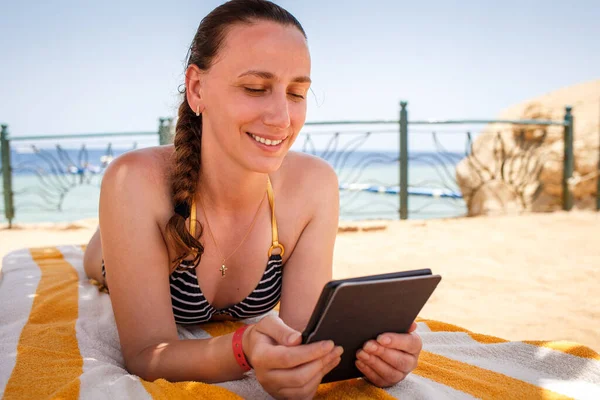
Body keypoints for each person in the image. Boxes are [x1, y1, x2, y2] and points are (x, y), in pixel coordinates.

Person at [83, 1, 422, 398]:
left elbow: (301, 337)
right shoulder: (134, 182)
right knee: (96, 256)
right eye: (255, 88)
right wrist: (242, 349)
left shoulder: (314, 186)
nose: (282, 117)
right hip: (109, 251)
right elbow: (145, 353)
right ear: (197, 88)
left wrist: (373, 357)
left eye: (296, 93)